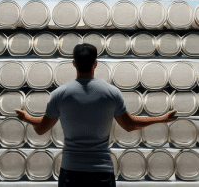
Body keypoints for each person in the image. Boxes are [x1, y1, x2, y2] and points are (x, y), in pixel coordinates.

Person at [15, 43, 178, 186]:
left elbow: (41, 129)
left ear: (74, 63)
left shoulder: (60, 94)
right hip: (102, 172)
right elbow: (129, 125)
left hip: (71, 171)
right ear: (95, 63)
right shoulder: (111, 93)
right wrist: (162, 118)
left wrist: (26, 118)